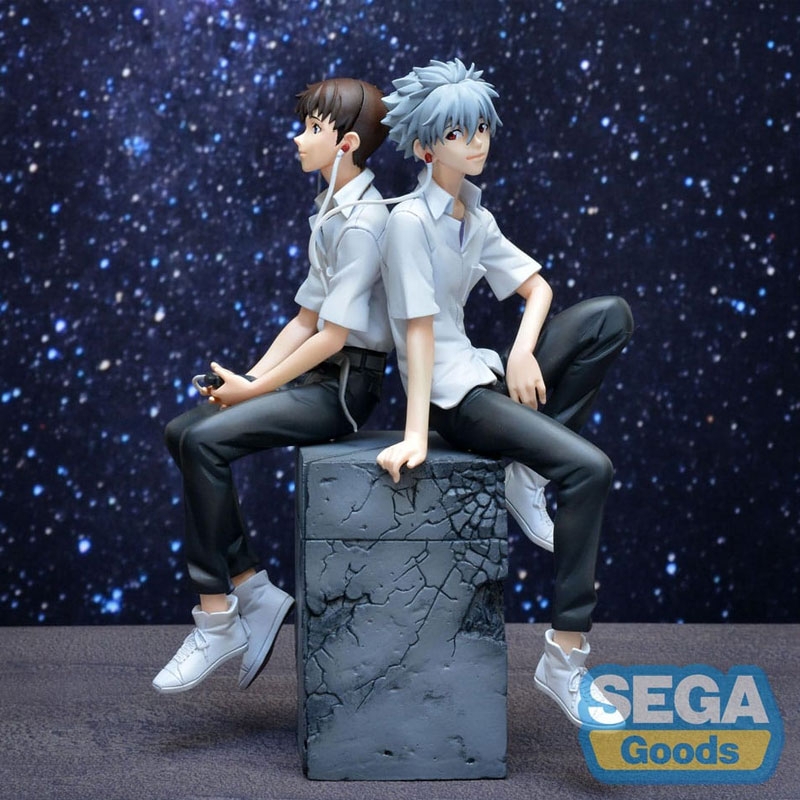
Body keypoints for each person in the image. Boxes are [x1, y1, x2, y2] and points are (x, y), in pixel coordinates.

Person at [376, 59, 634, 728]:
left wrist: (521, 350)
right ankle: (565, 657)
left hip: (484, 372)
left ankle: (525, 470)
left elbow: (538, 288)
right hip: (451, 400)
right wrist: (414, 433)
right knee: (590, 469)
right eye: (458, 133)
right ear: (426, 147)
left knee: (608, 317)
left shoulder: (473, 215)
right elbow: (418, 332)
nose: (477, 142)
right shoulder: (409, 222)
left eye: (482, 128)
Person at [154, 77, 391, 694]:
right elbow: (304, 321)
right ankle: (252, 589)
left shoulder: (364, 223)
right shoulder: (330, 210)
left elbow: (333, 338)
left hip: (343, 391)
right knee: (183, 431)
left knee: (204, 442)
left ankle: (217, 617)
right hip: (314, 375)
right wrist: (249, 379)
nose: (298, 138)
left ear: (345, 144)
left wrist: (255, 394)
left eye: (312, 129)